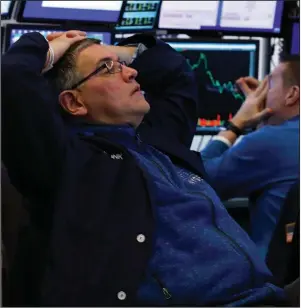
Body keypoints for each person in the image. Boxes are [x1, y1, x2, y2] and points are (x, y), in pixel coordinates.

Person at [2, 30, 289, 306]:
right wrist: (47, 46)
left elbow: (174, 74)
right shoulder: (68, 160)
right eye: (108, 69)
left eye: (122, 64)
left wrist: (106, 51)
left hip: (265, 295)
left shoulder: (156, 140)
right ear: (74, 102)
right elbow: (11, 79)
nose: (131, 72)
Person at [201, 55, 300, 259]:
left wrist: (237, 123)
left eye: (269, 84)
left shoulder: (271, 142)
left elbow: (196, 181)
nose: (261, 94)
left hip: (275, 283)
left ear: (292, 94)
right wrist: (266, 120)